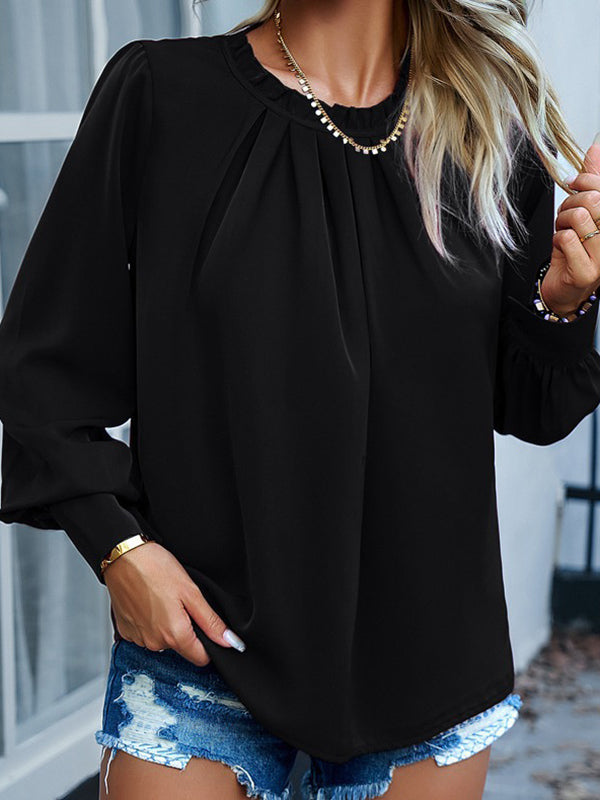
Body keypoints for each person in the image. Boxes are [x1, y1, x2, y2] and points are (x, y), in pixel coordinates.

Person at [0, 0, 599, 797]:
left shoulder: (486, 129)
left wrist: (563, 303)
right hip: (202, 651)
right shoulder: (161, 96)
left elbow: (524, 405)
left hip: (428, 663)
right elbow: (42, 371)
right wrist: (120, 550)